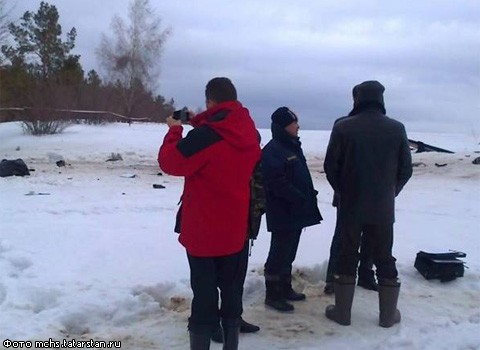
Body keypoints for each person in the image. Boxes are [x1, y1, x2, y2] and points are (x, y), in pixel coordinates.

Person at [158, 77, 261, 349]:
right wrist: (199, 121)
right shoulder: (249, 132)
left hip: (204, 232)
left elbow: (170, 162)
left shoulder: (204, 138)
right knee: (231, 293)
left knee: (204, 297)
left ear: (210, 101)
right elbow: (222, 134)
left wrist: (174, 130)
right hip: (236, 229)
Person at [323, 80, 412, 328]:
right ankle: (387, 316)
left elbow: (331, 166)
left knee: (347, 254)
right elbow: (406, 169)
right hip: (383, 208)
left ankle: (342, 313)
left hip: (351, 206)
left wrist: (343, 191)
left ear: (357, 99)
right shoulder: (397, 128)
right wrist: (390, 192)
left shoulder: (344, 127)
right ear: (381, 100)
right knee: (384, 257)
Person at [261, 107, 322, 312]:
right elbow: (275, 181)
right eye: (294, 123)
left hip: (295, 209)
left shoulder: (292, 146)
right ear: (283, 127)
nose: (298, 126)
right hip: (282, 210)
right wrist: (297, 196)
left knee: (289, 252)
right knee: (279, 253)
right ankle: (273, 294)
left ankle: (285, 288)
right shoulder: (273, 149)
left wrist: (307, 193)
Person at [324, 88, 379, 295]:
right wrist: (341, 189)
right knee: (343, 236)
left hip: (374, 195)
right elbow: (332, 163)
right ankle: (333, 277)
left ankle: (365, 274)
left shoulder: (385, 126)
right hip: (350, 194)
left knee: (370, 237)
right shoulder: (343, 125)